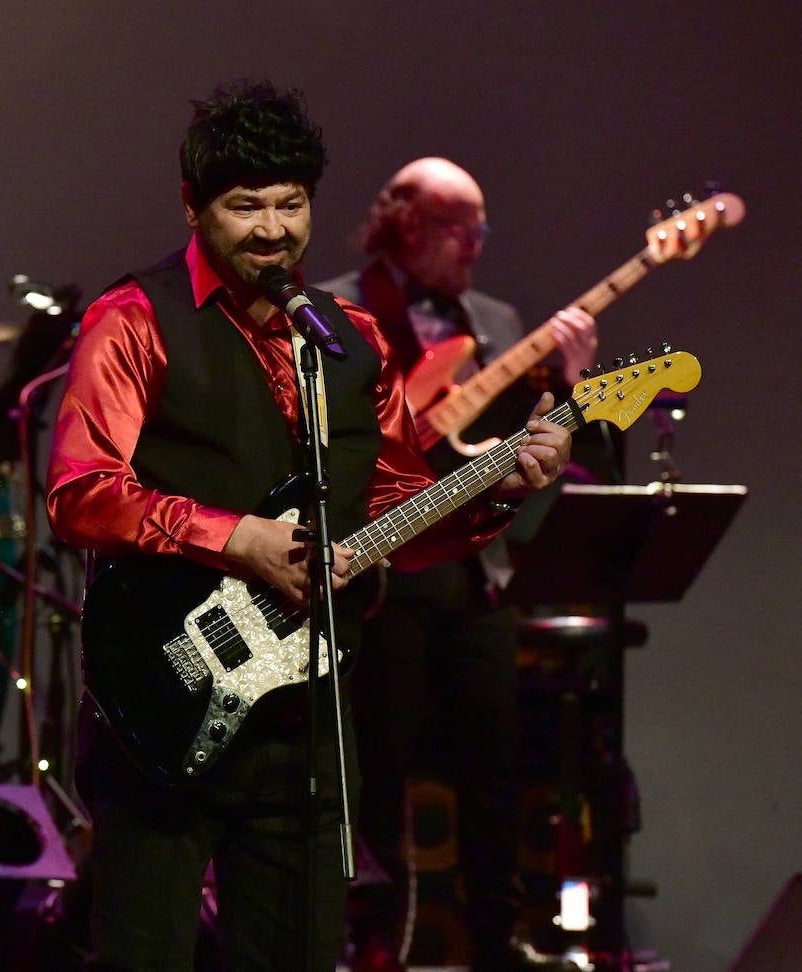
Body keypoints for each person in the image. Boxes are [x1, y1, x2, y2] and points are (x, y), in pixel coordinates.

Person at [46, 86, 572, 972]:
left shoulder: (349, 341)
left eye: (290, 204)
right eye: (244, 205)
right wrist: (235, 537)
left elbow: (402, 506)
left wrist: (500, 489)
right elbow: (80, 491)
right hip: (161, 701)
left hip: (307, 727)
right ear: (193, 206)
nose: (271, 229)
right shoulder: (134, 319)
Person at [314, 158, 598, 971]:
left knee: (494, 768)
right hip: (384, 576)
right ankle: (365, 942)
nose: (474, 242)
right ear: (403, 222)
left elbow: (537, 458)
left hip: (477, 574)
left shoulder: (504, 324)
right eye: (455, 225)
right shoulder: (339, 308)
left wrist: (571, 386)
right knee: (378, 763)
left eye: (481, 226)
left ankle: (497, 940)